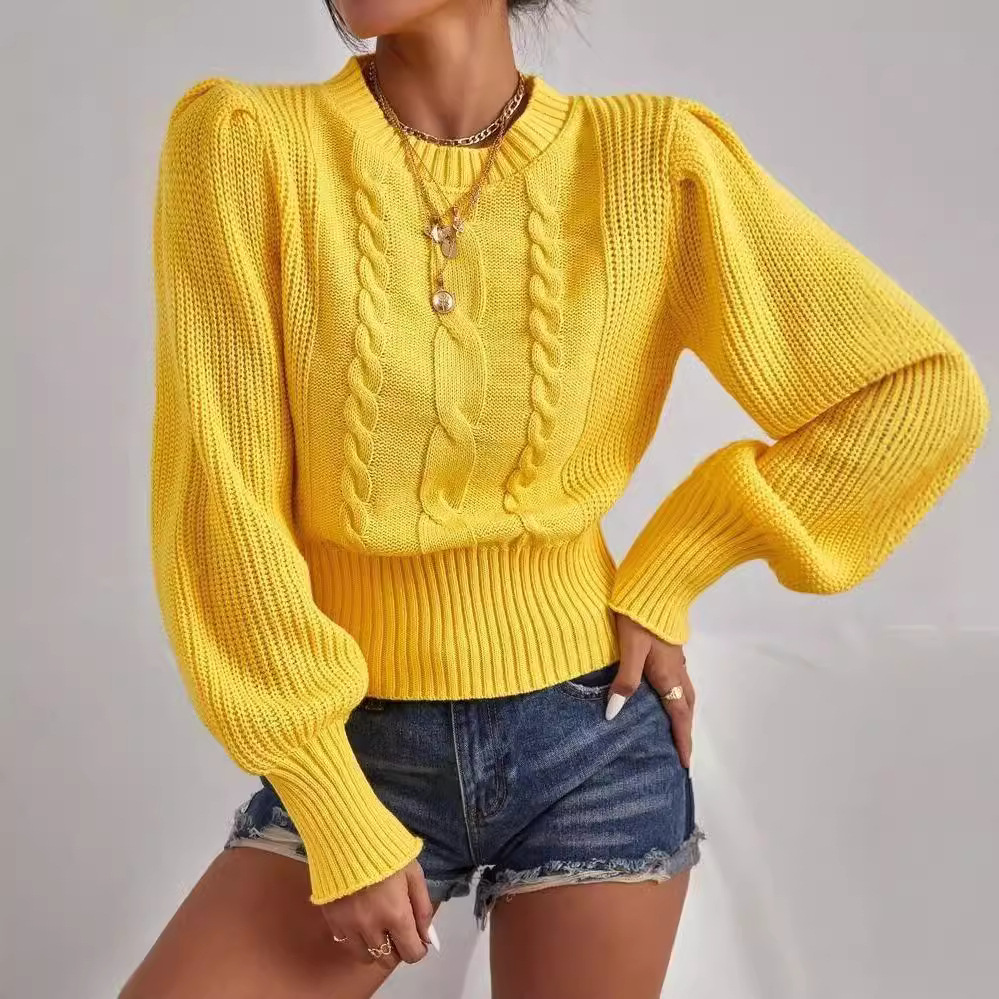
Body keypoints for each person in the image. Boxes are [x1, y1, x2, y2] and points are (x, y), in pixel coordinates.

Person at [121, 1, 989, 996]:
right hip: (357, 746)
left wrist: (673, 567)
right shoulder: (244, 145)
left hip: (595, 739)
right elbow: (219, 509)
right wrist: (332, 804)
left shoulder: (650, 161)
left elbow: (918, 391)